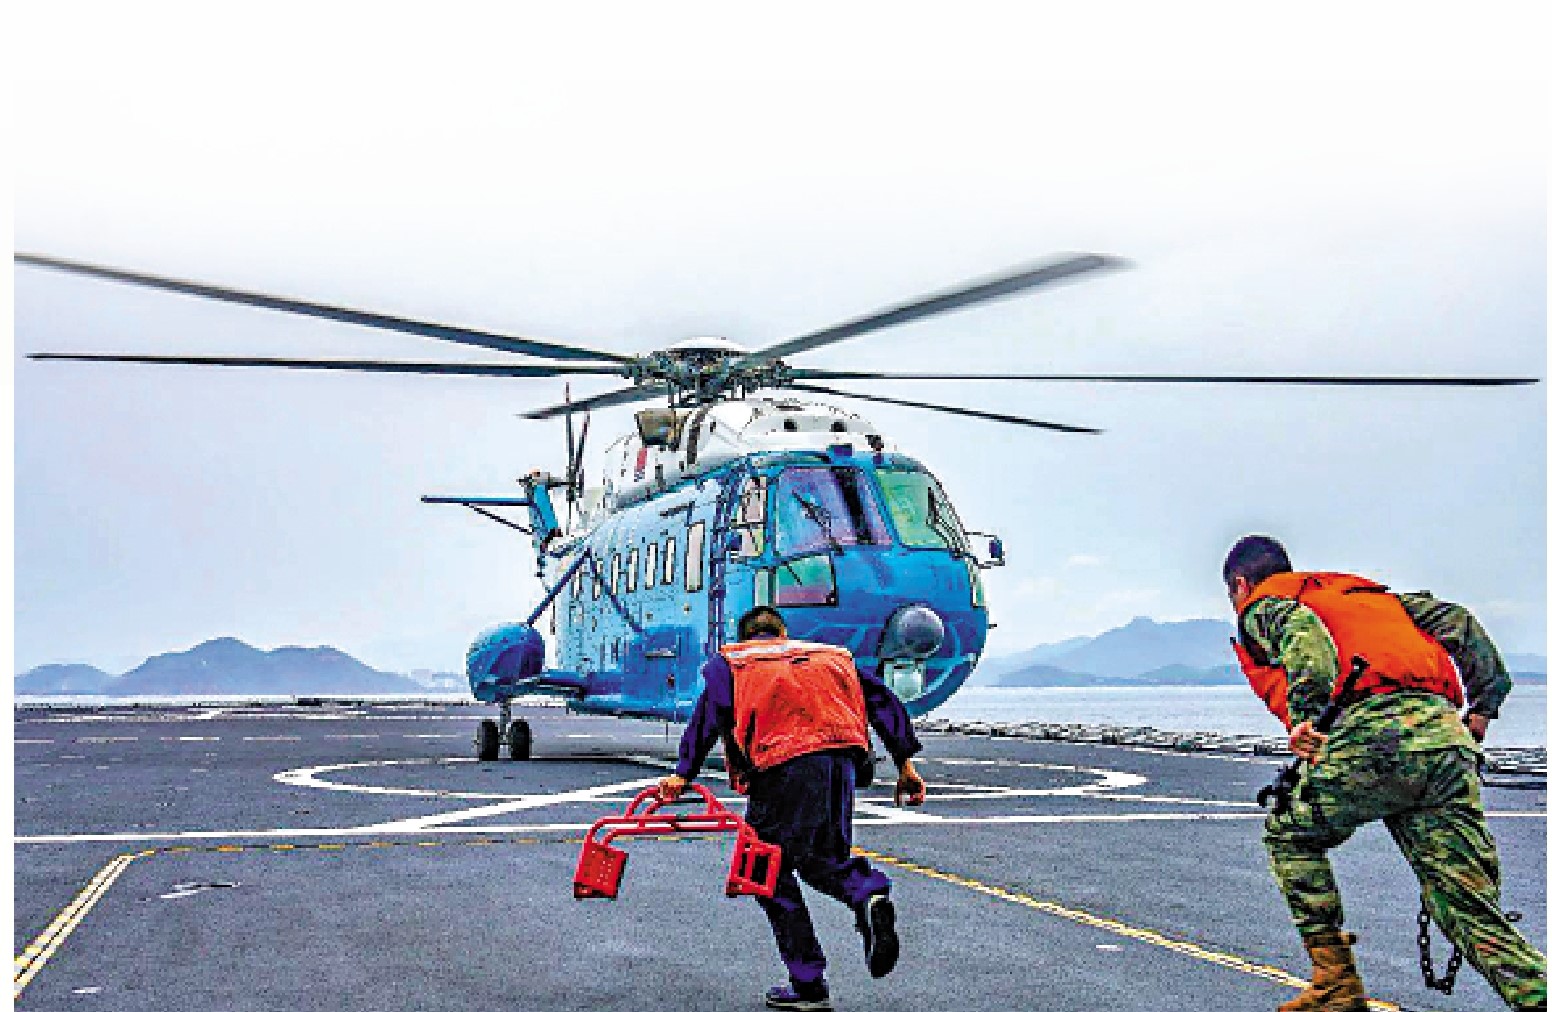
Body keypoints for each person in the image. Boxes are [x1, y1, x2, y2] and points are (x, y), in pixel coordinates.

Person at [1223, 534, 1546, 1011]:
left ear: (1241, 584)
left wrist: (1306, 716)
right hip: (1444, 743)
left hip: (1372, 741)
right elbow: (1460, 623)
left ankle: (1335, 982)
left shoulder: (1264, 605)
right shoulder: (1371, 597)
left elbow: (1306, 641)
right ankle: (1537, 995)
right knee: (1464, 904)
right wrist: (1482, 707)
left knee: (1289, 835)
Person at [658, 605, 928, 1012]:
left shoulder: (733, 663)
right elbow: (884, 704)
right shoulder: (832, 656)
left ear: (745, 635)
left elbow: (705, 722)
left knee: (764, 873)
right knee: (823, 859)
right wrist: (906, 764)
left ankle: (808, 983)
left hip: (782, 766)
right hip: (842, 764)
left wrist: (683, 773)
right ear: (784, 632)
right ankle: (867, 894)